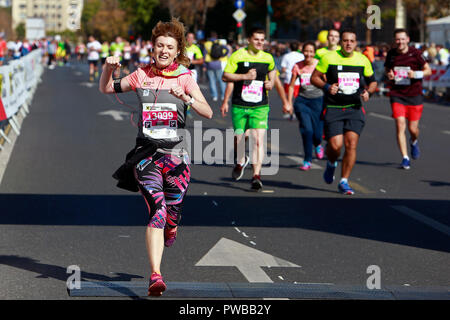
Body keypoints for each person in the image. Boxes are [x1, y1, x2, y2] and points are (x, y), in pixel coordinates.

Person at [99, 18, 212, 296]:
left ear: (177, 51)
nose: (163, 50)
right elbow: (107, 88)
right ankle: (156, 275)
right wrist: (108, 69)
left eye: (169, 47)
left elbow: (207, 112)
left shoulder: (185, 77)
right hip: (147, 155)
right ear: (152, 48)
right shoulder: (140, 75)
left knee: (172, 213)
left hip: (177, 158)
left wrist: (185, 98)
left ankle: (172, 227)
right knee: (157, 212)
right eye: (159, 45)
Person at [311, 29, 377, 195]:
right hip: (333, 108)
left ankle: (344, 181)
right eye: (345, 40)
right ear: (341, 42)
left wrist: (369, 91)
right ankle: (331, 163)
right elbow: (314, 77)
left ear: (356, 44)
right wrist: (327, 86)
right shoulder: (329, 58)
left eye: (352, 41)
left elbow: (373, 82)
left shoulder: (363, 60)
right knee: (335, 146)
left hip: (354, 108)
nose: (348, 44)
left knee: (351, 144)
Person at [221, 27, 276, 192]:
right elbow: (226, 76)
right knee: (239, 138)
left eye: (262, 39)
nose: (260, 42)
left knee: (257, 139)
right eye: (256, 39)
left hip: (260, 105)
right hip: (240, 104)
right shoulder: (238, 55)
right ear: (249, 40)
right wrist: (244, 77)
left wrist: (271, 83)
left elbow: (272, 72)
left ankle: (256, 176)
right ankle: (240, 160)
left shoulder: (268, 57)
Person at [384, 29, 431, 170]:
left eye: (402, 39)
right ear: (394, 40)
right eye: (397, 39)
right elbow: (387, 69)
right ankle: (405, 158)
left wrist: (415, 74)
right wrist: (389, 74)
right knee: (400, 124)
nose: (400, 42)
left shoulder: (415, 53)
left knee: (413, 128)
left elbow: (428, 70)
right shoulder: (391, 54)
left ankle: (414, 140)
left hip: (414, 95)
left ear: (408, 39)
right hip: (397, 94)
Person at [287, 41, 324, 171]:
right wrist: (289, 103)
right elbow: (292, 85)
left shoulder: (319, 65)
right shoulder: (297, 66)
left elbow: (326, 82)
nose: (308, 54)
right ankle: (307, 159)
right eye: (306, 51)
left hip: (318, 100)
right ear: (302, 52)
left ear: (314, 53)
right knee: (307, 130)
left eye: (311, 51)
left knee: (317, 133)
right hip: (302, 101)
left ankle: (318, 144)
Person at [204, 31, 228, 101]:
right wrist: (223, 55)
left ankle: (215, 96)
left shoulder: (207, 44)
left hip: (209, 64)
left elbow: (204, 55)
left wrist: (204, 65)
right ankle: (223, 95)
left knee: (212, 81)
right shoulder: (219, 43)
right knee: (221, 80)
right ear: (216, 36)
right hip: (218, 63)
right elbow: (226, 49)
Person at [280, 41, 304, 106]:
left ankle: (289, 110)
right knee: (297, 98)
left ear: (290, 48)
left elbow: (283, 69)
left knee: (288, 98)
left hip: (288, 79)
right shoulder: (302, 56)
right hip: (298, 81)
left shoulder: (286, 56)